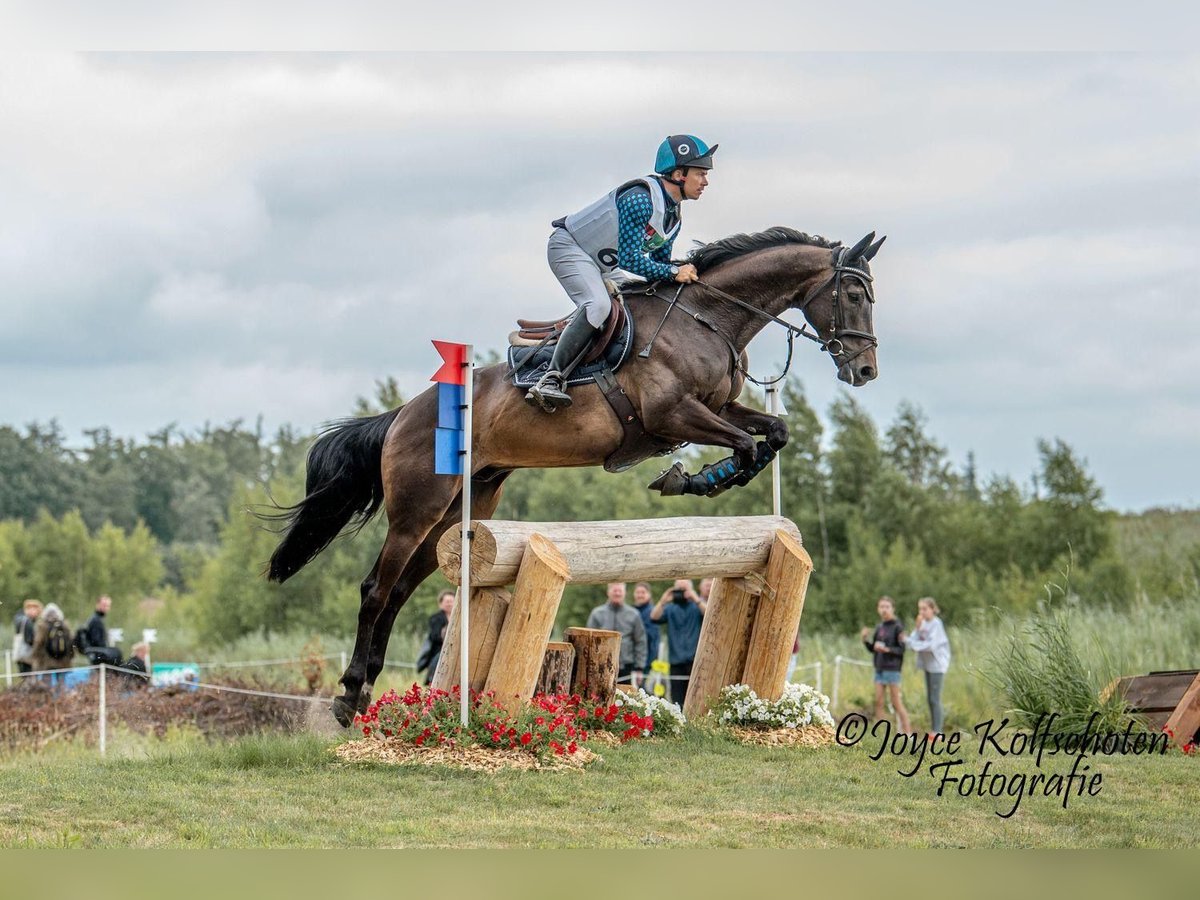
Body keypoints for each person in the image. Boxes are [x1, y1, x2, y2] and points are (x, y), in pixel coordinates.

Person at [525, 134, 717, 412]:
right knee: (599, 305)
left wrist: (678, 275)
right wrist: (675, 271)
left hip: (603, 265)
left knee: (637, 306)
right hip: (571, 248)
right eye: (700, 174)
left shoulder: (673, 215)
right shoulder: (641, 200)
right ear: (678, 174)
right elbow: (630, 260)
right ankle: (550, 378)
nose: (706, 182)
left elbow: (658, 269)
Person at [651, 579, 706, 705]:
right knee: (677, 698)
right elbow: (654, 617)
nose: (681, 593)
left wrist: (695, 598)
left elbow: (709, 613)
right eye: (679, 590)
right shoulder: (670, 608)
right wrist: (663, 601)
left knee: (696, 696)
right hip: (676, 660)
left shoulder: (696, 607)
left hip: (695, 660)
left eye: (684, 590)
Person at [860, 596, 911, 733]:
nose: (884, 609)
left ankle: (908, 734)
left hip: (892, 670)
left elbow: (902, 650)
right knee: (878, 702)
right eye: (882, 606)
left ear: (892, 609)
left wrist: (887, 649)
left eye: (887, 607)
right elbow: (873, 649)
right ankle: (882, 734)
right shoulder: (880, 627)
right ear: (878, 609)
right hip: (879, 669)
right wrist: (865, 639)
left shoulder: (898, 627)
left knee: (896, 703)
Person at [903, 597, 951, 735]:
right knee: (929, 698)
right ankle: (933, 729)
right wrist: (914, 631)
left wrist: (911, 643)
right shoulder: (922, 623)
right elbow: (912, 640)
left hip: (937, 665)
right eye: (920, 609)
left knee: (934, 698)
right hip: (927, 665)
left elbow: (930, 646)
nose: (922, 612)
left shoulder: (936, 624)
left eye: (925, 608)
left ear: (932, 609)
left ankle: (938, 732)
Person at [586, 582, 647, 686]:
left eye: (620, 591)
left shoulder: (634, 614)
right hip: (600, 665)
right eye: (615, 591)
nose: (617, 593)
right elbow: (588, 640)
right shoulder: (597, 614)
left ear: (625, 593)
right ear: (608, 592)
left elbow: (640, 641)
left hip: (626, 667)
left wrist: (639, 668)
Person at [419, 590, 455, 685]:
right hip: (438, 651)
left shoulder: (459, 617)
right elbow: (435, 636)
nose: (449, 604)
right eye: (447, 601)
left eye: (451, 601)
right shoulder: (435, 618)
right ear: (441, 604)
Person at [30, 603, 74, 676]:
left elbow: (38, 642)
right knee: (62, 683)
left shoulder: (43, 625)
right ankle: (61, 687)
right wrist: (71, 656)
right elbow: (71, 642)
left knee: (47, 683)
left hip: (46, 661)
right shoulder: (64, 625)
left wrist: (35, 657)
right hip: (64, 661)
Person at [79, 594, 121, 665]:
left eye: (108, 606)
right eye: (104, 605)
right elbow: (97, 641)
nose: (106, 608)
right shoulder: (95, 620)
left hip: (96, 654)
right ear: (98, 604)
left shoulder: (97, 619)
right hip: (97, 656)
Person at [631, 582, 660, 671]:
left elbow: (652, 638)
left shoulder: (652, 612)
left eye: (643, 592)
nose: (640, 595)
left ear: (649, 595)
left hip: (647, 660)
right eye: (638, 592)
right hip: (631, 659)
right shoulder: (631, 611)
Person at [12, 599, 42, 674]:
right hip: (27, 657)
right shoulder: (27, 622)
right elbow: (30, 640)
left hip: (21, 657)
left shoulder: (20, 619)